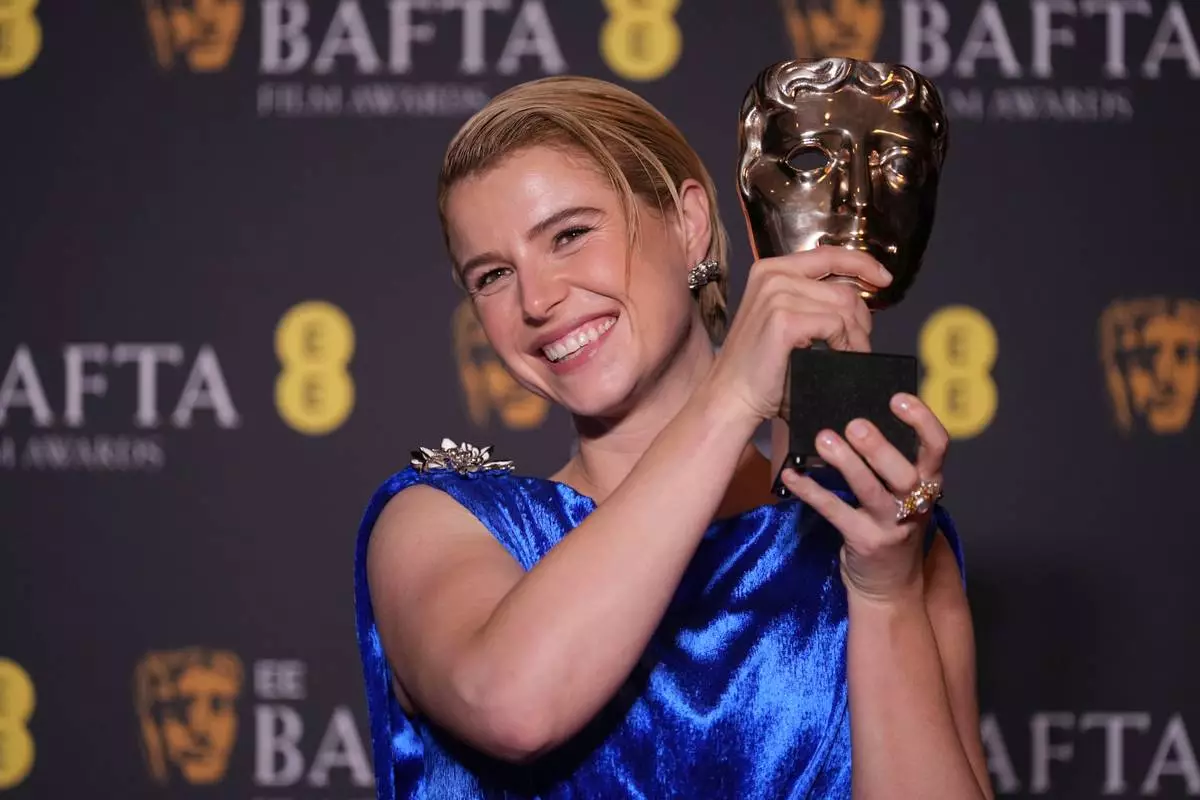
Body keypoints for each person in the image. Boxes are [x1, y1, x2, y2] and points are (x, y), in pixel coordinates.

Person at [353, 75, 992, 799]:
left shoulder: (881, 538)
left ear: (689, 225)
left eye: (569, 234)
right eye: (494, 275)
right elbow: (513, 706)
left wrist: (883, 596)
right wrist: (731, 398)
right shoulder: (443, 526)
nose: (536, 301)